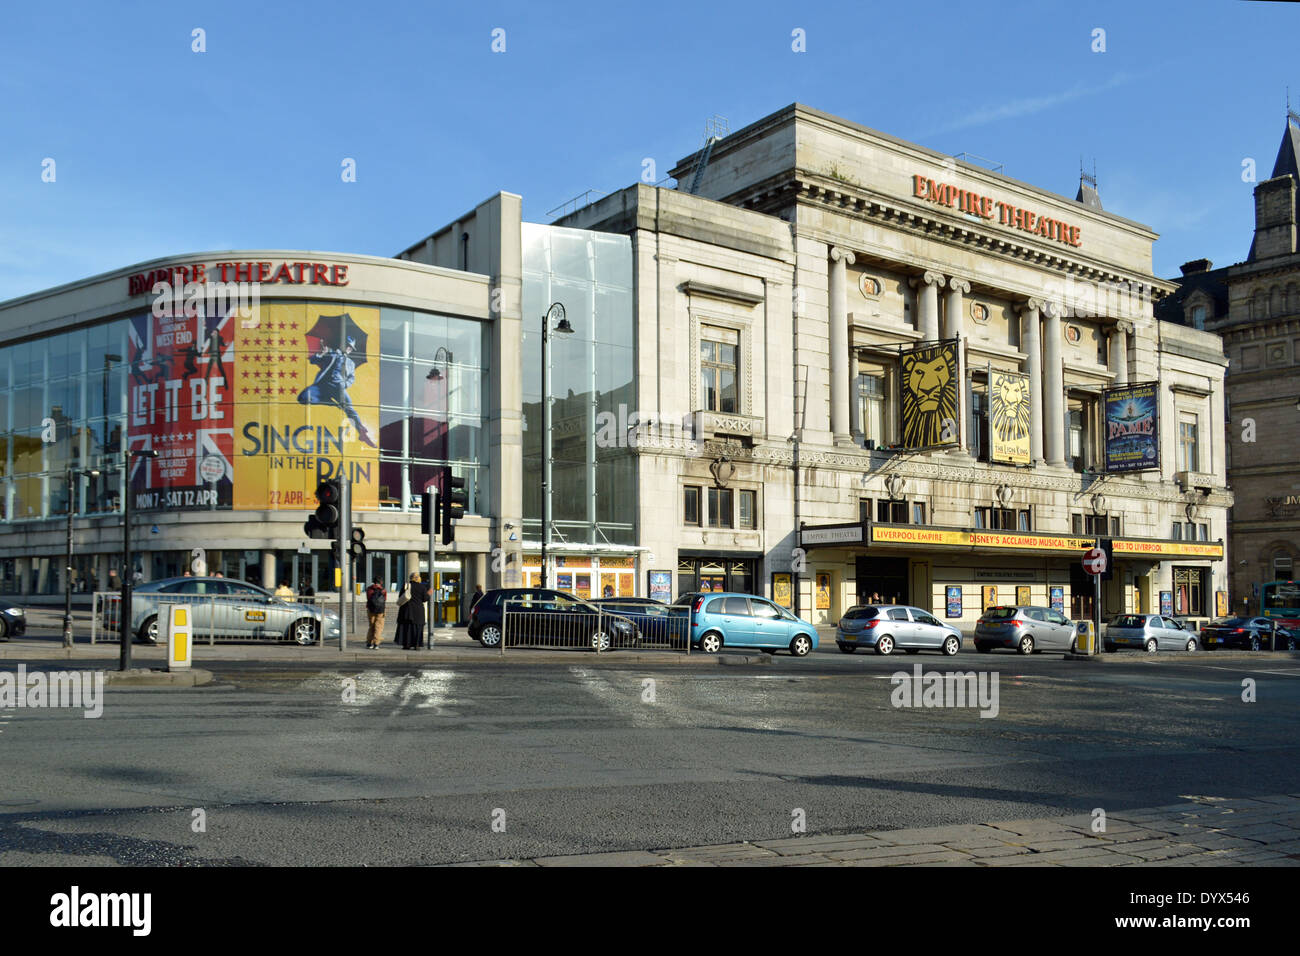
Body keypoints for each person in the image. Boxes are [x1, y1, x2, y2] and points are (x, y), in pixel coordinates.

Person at [297, 334, 376, 447]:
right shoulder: (331, 353)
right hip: (322, 385)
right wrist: (323, 353)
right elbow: (313, 361)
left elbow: (351, 378)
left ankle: (362, 433)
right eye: (348, 346)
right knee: (302, 398)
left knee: (350, 410)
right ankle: (330, 402)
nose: (349, 349)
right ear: (343, 345)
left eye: (351, 348)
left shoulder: (351, 363)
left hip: (338, 388)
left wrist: (345, 385)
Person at [395, 572, 429, 650]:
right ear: (417, 578)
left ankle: (406, 645)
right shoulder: (422, 587)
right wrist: (429, 594)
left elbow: (401, 596)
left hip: (406, 611)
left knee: (407, 628)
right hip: (418, 612)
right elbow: (425, 599)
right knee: (417, 628)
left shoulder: (406, 586)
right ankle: (417, 645)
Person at [364, 577, 387, 649]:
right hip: (380, 610)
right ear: (381, 582)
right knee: (378, 627)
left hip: (371, 609)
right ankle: (376, 644)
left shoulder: (369, 589)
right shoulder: (383, 590)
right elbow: (385, 599)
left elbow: (368, 598)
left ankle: (369, 643)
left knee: (371, 626)